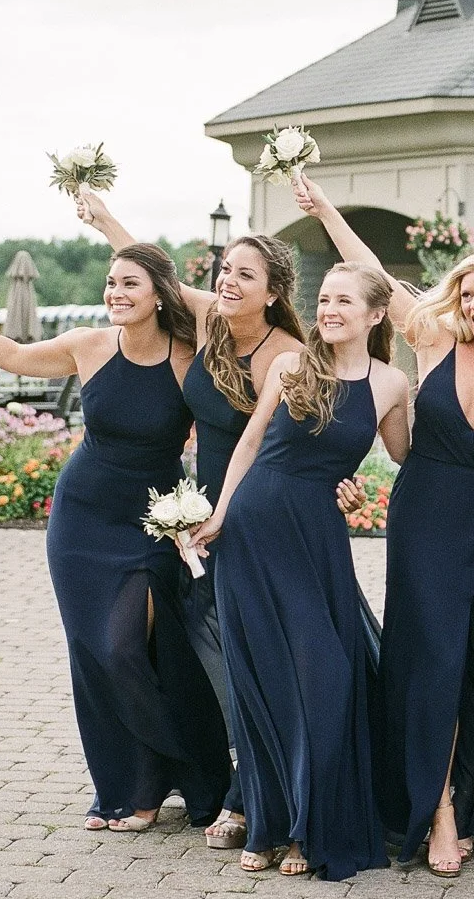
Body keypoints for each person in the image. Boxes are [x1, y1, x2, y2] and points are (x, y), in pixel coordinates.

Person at [287, 172, 474, 876]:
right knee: (432, 661)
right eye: (466, 293)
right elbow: (374, 275)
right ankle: (434, 809)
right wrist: (326, 210)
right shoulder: (435, 339)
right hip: (426, 519)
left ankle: (470, 801)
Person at [74, 189, 311, 850]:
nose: (227, 281)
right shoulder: (210, 321)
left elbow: (299, 439)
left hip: (254, 516)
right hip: (197, 518)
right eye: (225, 269)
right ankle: (195, 776)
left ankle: (247, 797)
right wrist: (105, 219)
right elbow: (155, 275)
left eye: (244, 275)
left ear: (273, 293)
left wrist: (337, 486)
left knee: (243, 658)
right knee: (201, 656)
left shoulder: (286, 353)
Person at [0, 246, 231, 832]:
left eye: (130, 283)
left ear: (161, 294)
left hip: (152, 521)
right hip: (81, 517)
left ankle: (188, 772)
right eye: (111, 282)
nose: (115, 293)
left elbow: (232, 419)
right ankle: (128, 787)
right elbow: (14, 355)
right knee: (93, 656)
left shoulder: (189, 359)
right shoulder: (87, 345)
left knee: (124, 650)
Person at [194, 262, 409, 879]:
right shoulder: (291, 366)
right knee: (262, 679)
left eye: (344, 301)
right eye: (324, 299)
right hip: (255, 525)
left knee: (325, 676)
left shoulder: (392, 383)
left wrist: (357, 488)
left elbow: (407, 457)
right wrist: (220, 514)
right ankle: (271, 826)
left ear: (375, 314)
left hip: (318, 537)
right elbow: (251, 443)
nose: (329, 310)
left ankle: (310, 824)